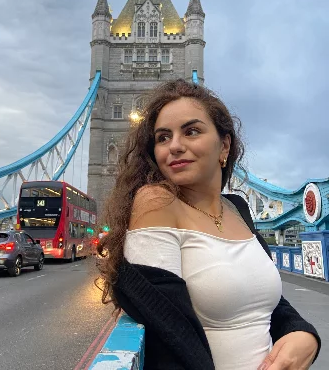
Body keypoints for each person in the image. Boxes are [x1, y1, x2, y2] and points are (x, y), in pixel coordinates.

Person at [96, 79, 320, 370]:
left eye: (191, 131)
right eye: (163, 137)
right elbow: (170, 335)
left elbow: (266, 303)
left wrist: (304, 334)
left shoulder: (237, 207)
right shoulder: (156, 202)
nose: (175, 146)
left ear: (224, 145)